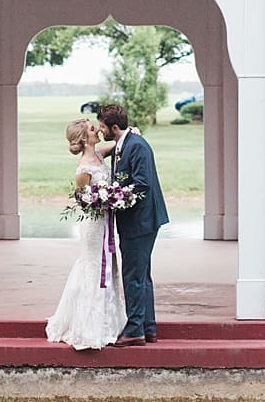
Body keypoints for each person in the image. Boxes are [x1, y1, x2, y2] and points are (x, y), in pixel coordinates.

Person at [45, 118, 126, 350]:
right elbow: (81, 199)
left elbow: (118, 143)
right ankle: (89, 326)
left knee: (108, 263)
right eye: (93, 129)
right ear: (84, 138)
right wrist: (102, 201)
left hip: (105, 222)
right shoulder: (83, 168)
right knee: (93, 266)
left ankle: (110, 321)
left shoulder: (99, 154)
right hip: (93, 224)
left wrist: (131, 132)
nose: (98, 130)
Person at [98, 103, 169, 347]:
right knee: (141, 275)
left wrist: (112, 197)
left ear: (114, 127)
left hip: (141, 222)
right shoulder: (123, 143)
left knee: (134, 277)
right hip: (137, 221)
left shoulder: (137, 146)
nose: (100, 131)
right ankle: (149, 328)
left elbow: (141, 185)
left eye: (102, 127)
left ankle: (135, 330)